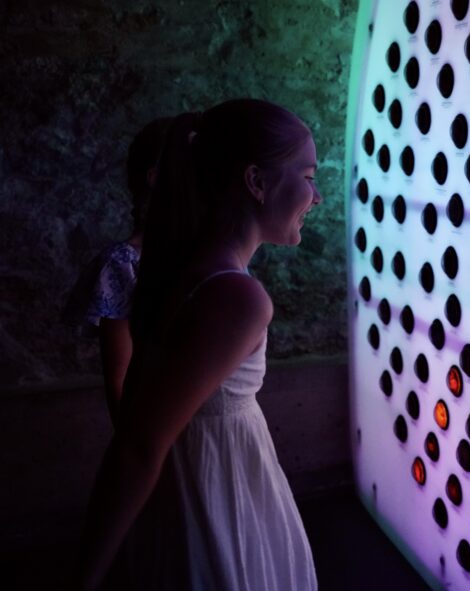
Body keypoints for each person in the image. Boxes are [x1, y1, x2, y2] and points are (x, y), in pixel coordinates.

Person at [75, 99, 321, 590]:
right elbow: (140, 445)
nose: (315, 197)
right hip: (215, 507)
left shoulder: (180, 269)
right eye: (308, 176)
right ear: (256, 181)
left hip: (191, 494)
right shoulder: (238, 297)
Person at [63, 118, 172, 425]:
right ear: (155, 178)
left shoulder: (207, 255)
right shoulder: (122, 264)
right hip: (155, 427)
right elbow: (119, 381)